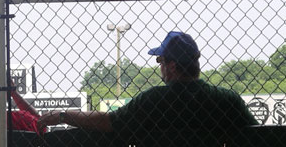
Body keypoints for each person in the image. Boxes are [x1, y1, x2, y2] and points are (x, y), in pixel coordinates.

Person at [38, 31, 257, 136]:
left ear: (171, 66)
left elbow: (108, 121)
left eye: (160, 61)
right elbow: (259, 136)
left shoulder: (152, 99)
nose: (159, 66)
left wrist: (63, 115)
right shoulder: (226, 99)